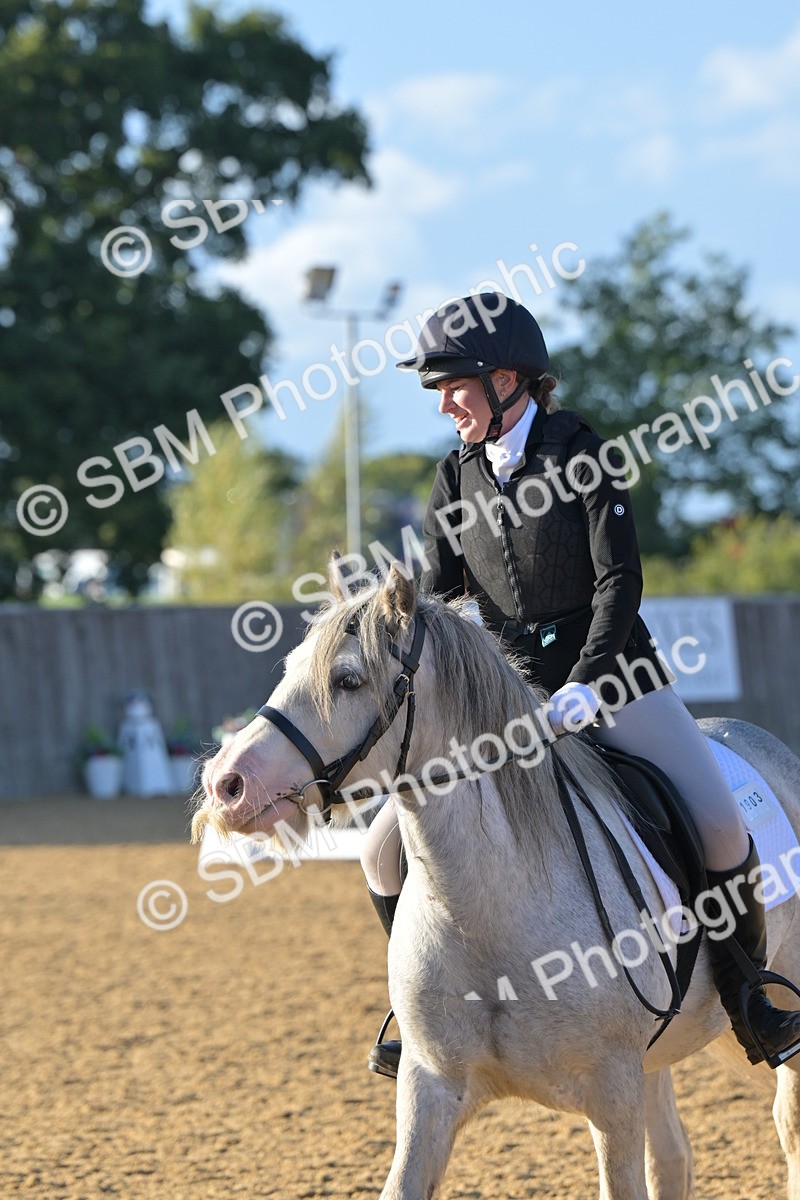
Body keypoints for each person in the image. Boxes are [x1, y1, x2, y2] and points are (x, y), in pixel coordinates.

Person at [360, 290, 800, 1079]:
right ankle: (421, 1011)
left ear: (506, 381)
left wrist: (588, 683)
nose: (445, 405)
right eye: (439, 390)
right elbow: (446, 600)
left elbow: (619, 582)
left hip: (619, 679)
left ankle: (750, 1001)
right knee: (380, 849)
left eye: (455, 387)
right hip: (509, 702)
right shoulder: (455, 476)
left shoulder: (581, 454)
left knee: (719, 825)